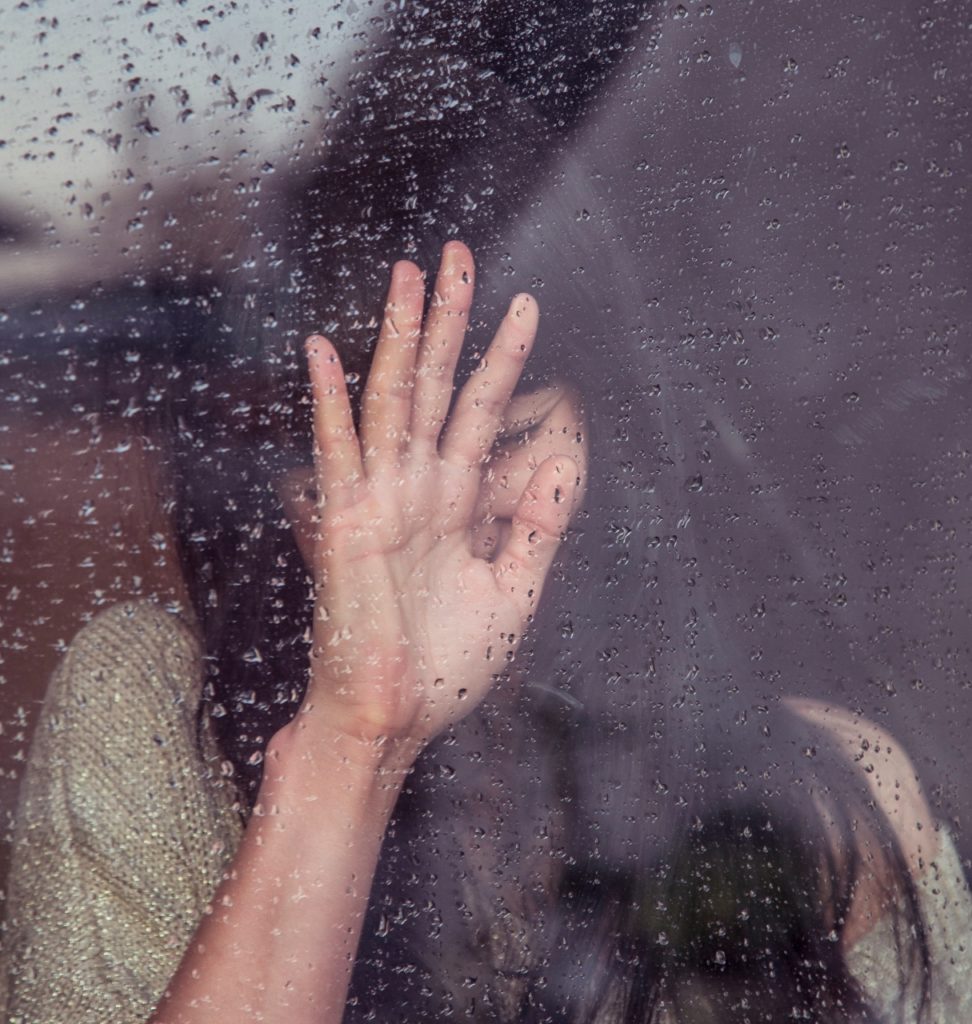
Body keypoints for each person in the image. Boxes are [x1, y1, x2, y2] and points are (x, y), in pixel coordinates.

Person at [4, 240, 971, 1024]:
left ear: (618, 429)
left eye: (500, 442)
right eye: (353, 473)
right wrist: (357, 742)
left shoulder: (820, 800)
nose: (437, 518)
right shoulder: (161, 712)